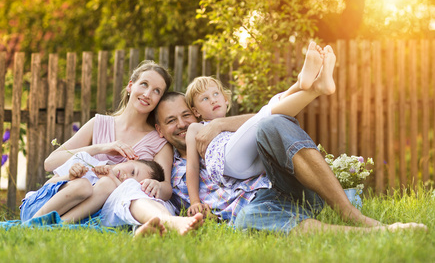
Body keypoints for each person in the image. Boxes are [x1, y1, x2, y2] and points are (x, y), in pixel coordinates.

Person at [151, 47, 426, 234]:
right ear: (160, 129)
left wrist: (221, 123)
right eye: (172, 120)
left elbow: (256, 123)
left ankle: (348, 210)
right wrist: (196, 203)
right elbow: (189, 175)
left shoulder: (215, 128)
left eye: (185, 115)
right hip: (253, 200)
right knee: (250, 218)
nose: (183, 124)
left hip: (271, 178)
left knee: (269, 121)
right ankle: (376, 233)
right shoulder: (173, 163)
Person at [43, 60, 203, 235]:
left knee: (135, 194)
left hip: (122, 205)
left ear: (159, 100)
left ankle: (153, 228)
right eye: (144, 84)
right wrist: (100, 148)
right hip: (81, 202)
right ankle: (157, 227)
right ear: (130, 86)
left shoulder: (158, 141)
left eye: (156, 91)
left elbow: (166, 188)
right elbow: (50, 163)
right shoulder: (98, 123)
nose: (147, 94)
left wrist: (156, 185)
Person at [184, 42, 335, 216]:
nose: (212, 100)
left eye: (216, 94)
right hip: (229, 161)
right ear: (195, 111)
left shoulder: (234, 123)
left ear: (226, 99)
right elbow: (193, 168)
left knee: (266, 119)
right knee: (264, 116)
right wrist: (195, 201)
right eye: (204, 99)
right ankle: (307, 87)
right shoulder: (196, 128)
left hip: (258, 167)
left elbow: (260, 120)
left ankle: (303, 83)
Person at [21, 151, 165, 223]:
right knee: (83, 186)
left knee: (106, 184)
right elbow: (46, 186)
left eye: (130, 182)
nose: (126, 177)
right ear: (130, 159)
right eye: (133, 171)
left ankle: (56, 226)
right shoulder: (84, 159)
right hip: (37, 206)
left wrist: (112, 180)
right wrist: (70, 178)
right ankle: (34, 223)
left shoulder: (112, 192)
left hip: (62, 219)